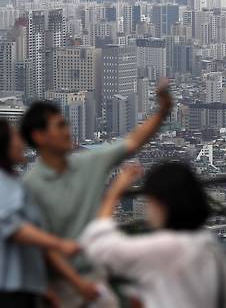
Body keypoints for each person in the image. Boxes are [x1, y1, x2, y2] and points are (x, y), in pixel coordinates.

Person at [21, 81, 172, 306]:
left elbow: (132, 142)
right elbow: (44, 246)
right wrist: (77, 284)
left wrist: (162, 111)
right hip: (61, 287)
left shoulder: (89, 162)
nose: (67, 131)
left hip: (95, 277)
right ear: (39, 136)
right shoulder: (31, 185)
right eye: (60, 126)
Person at [80, 162, 226, 308]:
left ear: (161, 204)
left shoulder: (167, 248)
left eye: (149, 201)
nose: (147, 209)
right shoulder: (211, 247)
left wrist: (114, 193)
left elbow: (99, 246)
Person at [0, 118, 81, 308]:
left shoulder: (8, 182)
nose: (22, 143)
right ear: (1, 145)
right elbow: (14, 229)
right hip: (2, 291)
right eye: (15, 138)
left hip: (15, 288)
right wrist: (60, 244)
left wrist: (42, 288)